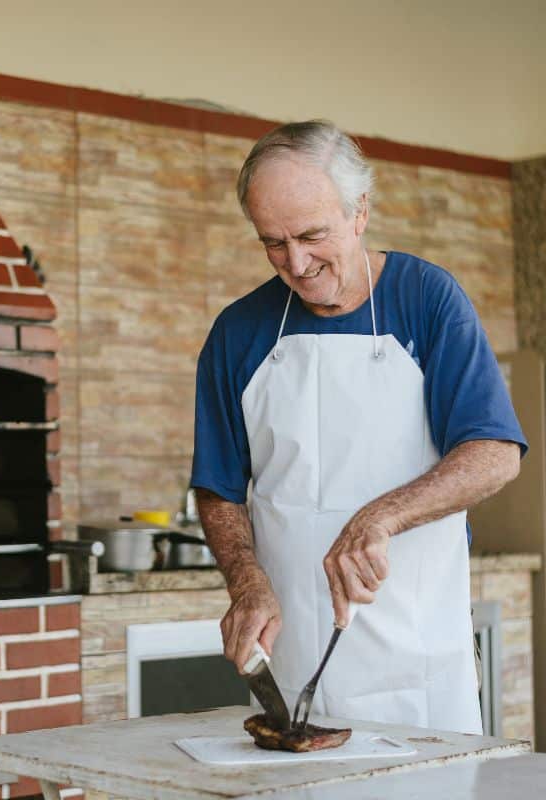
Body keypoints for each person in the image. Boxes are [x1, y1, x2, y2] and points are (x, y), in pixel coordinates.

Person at [190, 120, 526, 735]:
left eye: (313, 235)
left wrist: (381, 516)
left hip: (420, 673)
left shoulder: (428, 300)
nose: (296, 262)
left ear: (360, 211)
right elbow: (218, 486)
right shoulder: (238, 333)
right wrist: (245, 580)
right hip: (295, 672)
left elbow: (495, 452)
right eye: (273, 242)